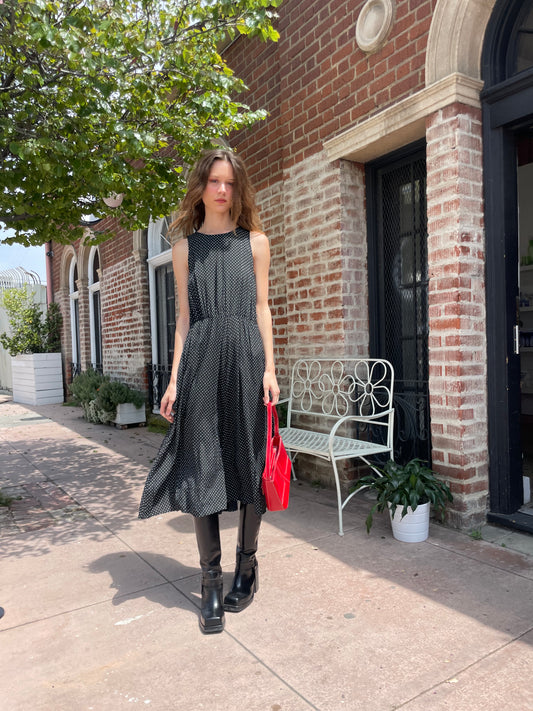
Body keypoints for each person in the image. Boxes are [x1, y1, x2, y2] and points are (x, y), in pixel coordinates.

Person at [139, 148, 280, 635]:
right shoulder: (184, 248)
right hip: (200, 363)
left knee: (249, 464)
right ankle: (210, 584)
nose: (223, 190)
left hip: (246, 361)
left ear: (239, 189)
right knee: (203, 469)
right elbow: (182, 320)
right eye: (215, 181)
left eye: (231, 183)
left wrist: (270, 369)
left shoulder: (255, 242)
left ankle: (247, 567)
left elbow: (262, 308)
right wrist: (175, 379)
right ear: (201, 187)